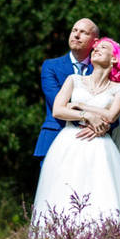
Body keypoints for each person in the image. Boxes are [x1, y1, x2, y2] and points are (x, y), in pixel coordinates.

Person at [30, 36, 120, 230]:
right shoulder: (74, 80)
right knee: (62, 195)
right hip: (69, 142)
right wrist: (87, 116)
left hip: (100, 148)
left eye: (103, 48)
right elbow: (58, 110)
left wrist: (80, 106)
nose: (96, 50)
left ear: (114, 59)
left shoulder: (119, 89)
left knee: (101, 197)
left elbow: (111, 116)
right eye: (95, 48)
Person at [33, 17, 101, 160]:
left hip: (93, 142)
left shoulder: (101, 69)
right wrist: (90, 117)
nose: (76, 35)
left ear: (95, 42)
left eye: (83, 32)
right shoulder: (50, 66)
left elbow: (112, 107)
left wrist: (104, 126)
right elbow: (58, 104)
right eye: (74, 30)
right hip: (55, 140)